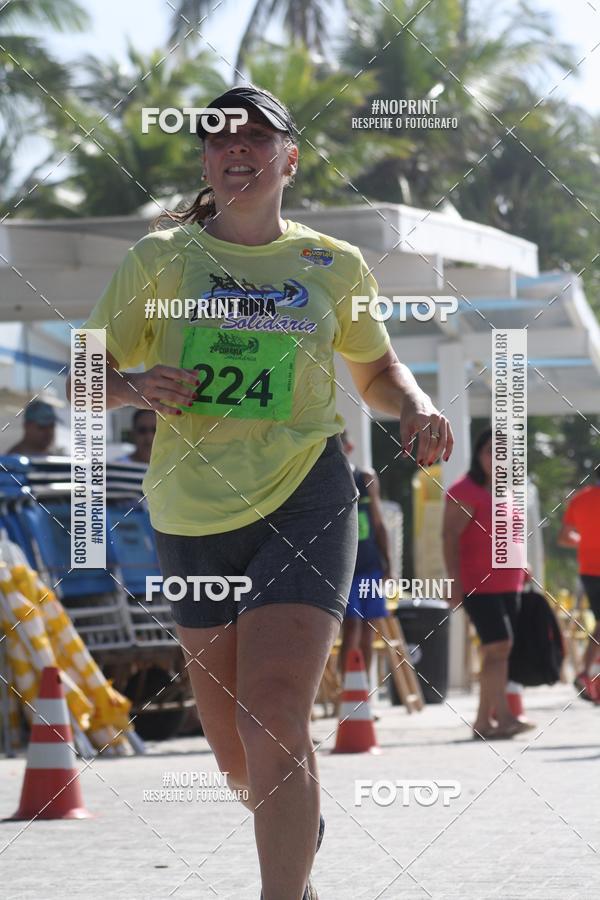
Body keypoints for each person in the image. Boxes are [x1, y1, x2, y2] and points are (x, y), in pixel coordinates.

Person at [67, 84, 453, 900]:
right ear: (207, 160)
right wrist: (134, 386)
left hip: (305, 493)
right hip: (192, 511)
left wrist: (415, 404)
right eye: (218, 137)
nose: (235, 146)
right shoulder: (158, 259)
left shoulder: (332, 265)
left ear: (289, 158)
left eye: (254, 135)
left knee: (273, 716)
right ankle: (296, 854)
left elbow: (377, 370)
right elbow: (81, 374)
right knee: (237, 755)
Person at [443, 427, 534, 739]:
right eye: (490, 452)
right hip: (479, 583)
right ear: (479, 455)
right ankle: (501, 717)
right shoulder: (466, 490)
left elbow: (511, 533)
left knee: (499, 651)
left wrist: (523, 563)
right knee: (498, 646)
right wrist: (454, 582)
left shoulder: (507, 491)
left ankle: (485, 721)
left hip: (510, 583)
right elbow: (449, 536)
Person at [338, 430, 391, 688]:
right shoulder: (327, 481)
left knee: (369, 630)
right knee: (351, 627)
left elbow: (378, 524)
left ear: (349, 446)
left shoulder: (366, 477)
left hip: (370, 566)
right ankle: (346, 689)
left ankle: (364, 689)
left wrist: (388, 564)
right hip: (343, 571)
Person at [558, 469, 600, 702]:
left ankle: (586, 674)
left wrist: (587, 541)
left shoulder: (580, 498)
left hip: (588, 571)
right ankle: (586, 674)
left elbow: (564, 537)